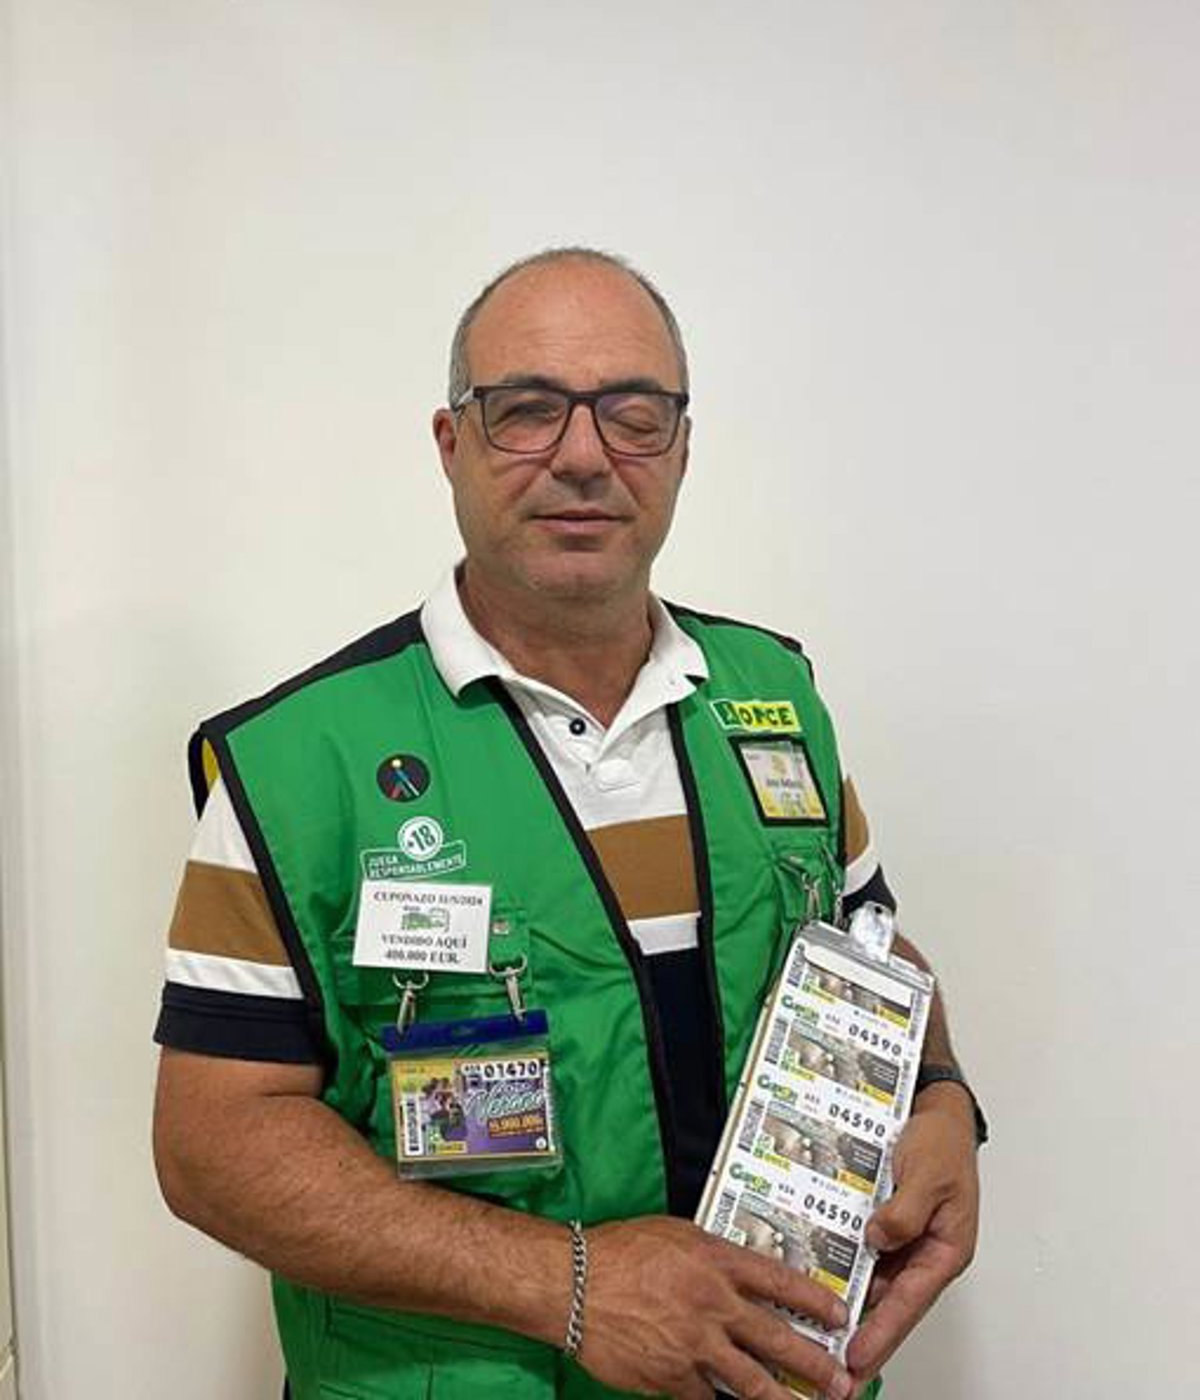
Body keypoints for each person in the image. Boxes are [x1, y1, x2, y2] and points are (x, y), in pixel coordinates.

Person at [153, 247, 983, 1400]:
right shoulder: (298, 761)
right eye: (528, 409)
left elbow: (870, 948)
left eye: (633, 414)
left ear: (681, 447)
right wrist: (572, 1284)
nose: (585, 455)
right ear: (451, 443)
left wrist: (942, 1095)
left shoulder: (776, 698)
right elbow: (212, 1144)